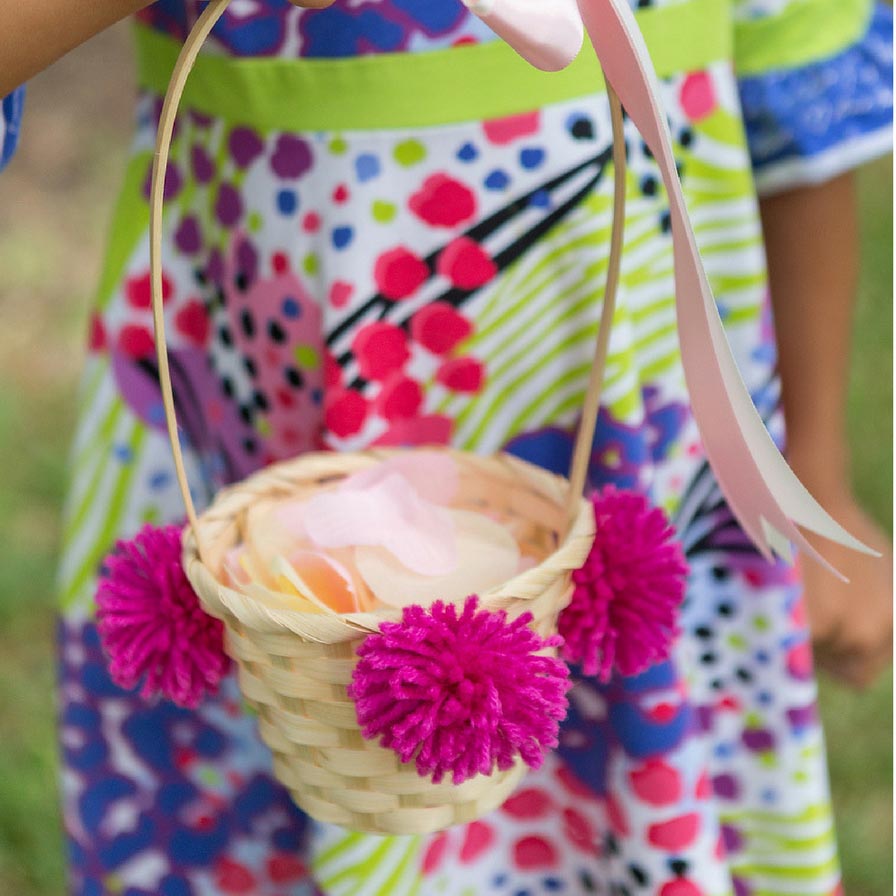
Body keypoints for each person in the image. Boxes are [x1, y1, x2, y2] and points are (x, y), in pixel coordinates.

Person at [1, 0, 892, 893]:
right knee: (283, 748)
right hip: (257, 403)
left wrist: (813, 464)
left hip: (627, 410)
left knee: (635, 787)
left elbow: (795, 65)